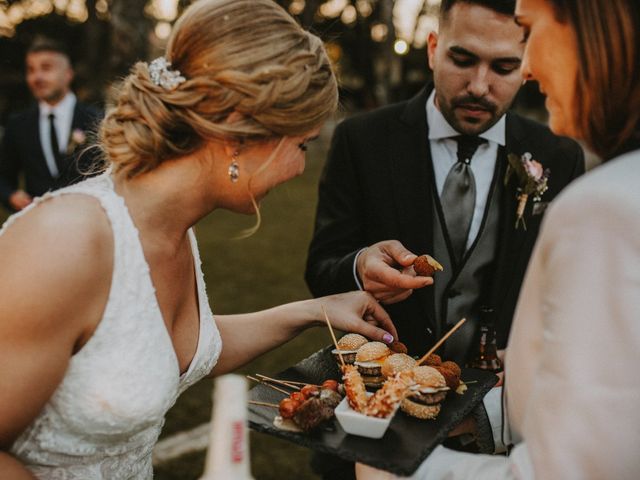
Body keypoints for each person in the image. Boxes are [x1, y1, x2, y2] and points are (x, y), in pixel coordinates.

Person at [0, 1, 399, 478]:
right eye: (302, 145)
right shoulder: (65, 242)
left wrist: (314, 311)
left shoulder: (174, 227)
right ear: (237, 129)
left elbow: (169, 351)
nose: (299, 169)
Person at [357, 0, 640, 478]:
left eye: (528, 32)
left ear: (591, 29)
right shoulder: (364, 139)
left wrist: (396, 470)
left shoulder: (609, 205)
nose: (526, 70)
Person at [305, 0, 585, 363]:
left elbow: (568, 287)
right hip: (387, 389)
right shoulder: (362, 140)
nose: (479, 86)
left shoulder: (558, 156)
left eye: (503, 67)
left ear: (526, 67)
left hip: (503, 393)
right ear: (434, 49)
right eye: (463, 60)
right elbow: (322, 269)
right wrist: (358, 268)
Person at [0, 38, 103, 211]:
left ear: (68, 74)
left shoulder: (97, 120)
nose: (37, 77)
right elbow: (3, 177)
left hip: (87, 225)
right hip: (38, 227)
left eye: (46, 68)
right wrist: (11, 196)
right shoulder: (18, 125)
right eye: (31, 70)